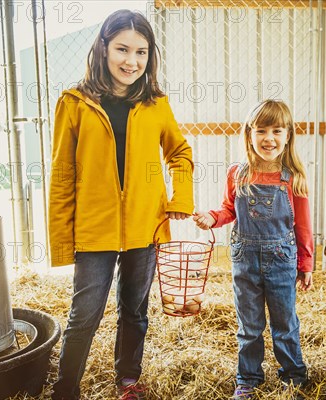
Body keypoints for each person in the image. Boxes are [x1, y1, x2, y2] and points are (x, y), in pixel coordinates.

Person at [48, 9, 194, 400]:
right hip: (95, 230)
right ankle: (66, 388)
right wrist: (62, 242)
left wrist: (182, 197)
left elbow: (180, 152)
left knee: (134, 310)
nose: (132, 61)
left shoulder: (155, 103)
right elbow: (61, 175)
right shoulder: (74, 102)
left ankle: (128, 380)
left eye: (141, 52)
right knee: (85, 315)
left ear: (150, 57)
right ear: (103, 48)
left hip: (145, 227)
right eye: (122, 49)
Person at [193, 100, 314, 399]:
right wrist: (212, 218)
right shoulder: (238, 174)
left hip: (282, 261)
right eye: (261, 130)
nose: (268, 138)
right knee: (249, 325)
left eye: (276, 130)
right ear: (249, 134)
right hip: (245, 262)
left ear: (287, 136)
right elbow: (227, 209)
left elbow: (303, 225)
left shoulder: (293, 177)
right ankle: (247, 378)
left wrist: (306, 263)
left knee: (285, 323)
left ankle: (293, 376)